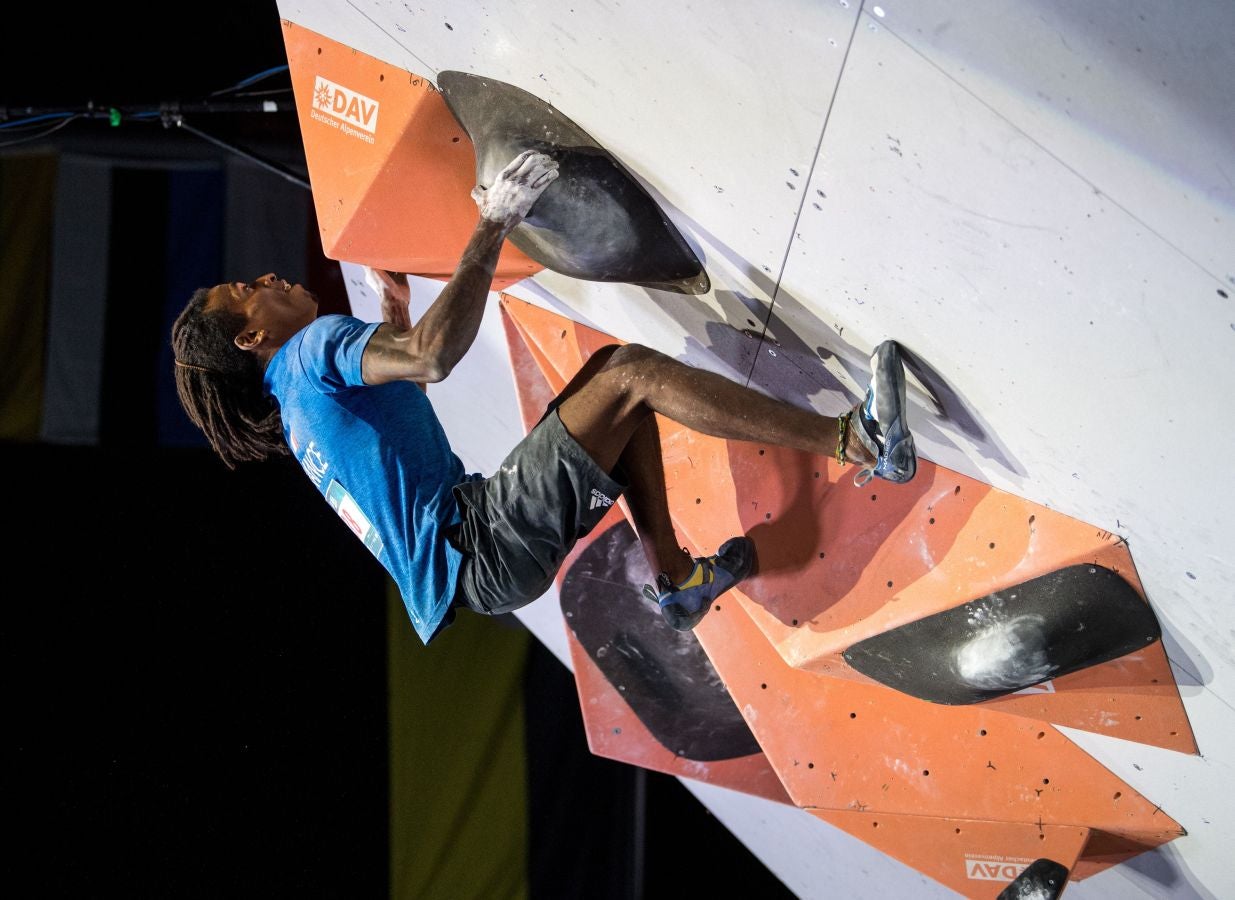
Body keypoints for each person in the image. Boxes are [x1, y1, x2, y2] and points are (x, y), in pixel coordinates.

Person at [170, 149, 917, 645]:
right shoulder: (311, 349)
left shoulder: (295, 401)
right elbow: (433, 360)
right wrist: (493, 221)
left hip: (481, 571)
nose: (266, 279)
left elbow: (402, 393)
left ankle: (677, 582)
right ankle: (859, 440)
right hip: (484, 540)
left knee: (610, 402)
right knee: (626, 374)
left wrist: (396, 315)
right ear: (248, 340)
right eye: (248, 291)